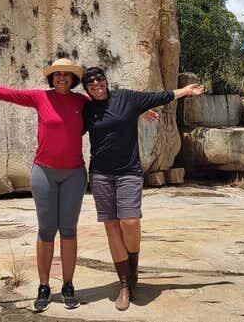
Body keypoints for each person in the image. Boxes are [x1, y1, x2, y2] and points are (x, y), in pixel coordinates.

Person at [0, 58, 88, 312]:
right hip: (44, 173)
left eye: (66, 75)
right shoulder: (40, 98)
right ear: (51, 78)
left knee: (68, 230)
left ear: (73, 79)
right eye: (57, 74)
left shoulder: (83, 102)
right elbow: (8, 94)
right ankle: (44, 287)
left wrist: (140, 110)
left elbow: (111, 108)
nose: (61, 78)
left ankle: (68, 285)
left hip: (74, 175)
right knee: (47, 231)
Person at [81, 66, 204, 311]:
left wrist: (186, 91)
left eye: (99, 80)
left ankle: (133, 269)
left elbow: (160, 96)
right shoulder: (86, 108)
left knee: (130, 221)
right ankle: (125, 284)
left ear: (106, 81)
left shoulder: (126, 98)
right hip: (101, 174)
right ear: (86, 88)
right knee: (111, 226)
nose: (96, 84)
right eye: (90, 83)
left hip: (128, 171)